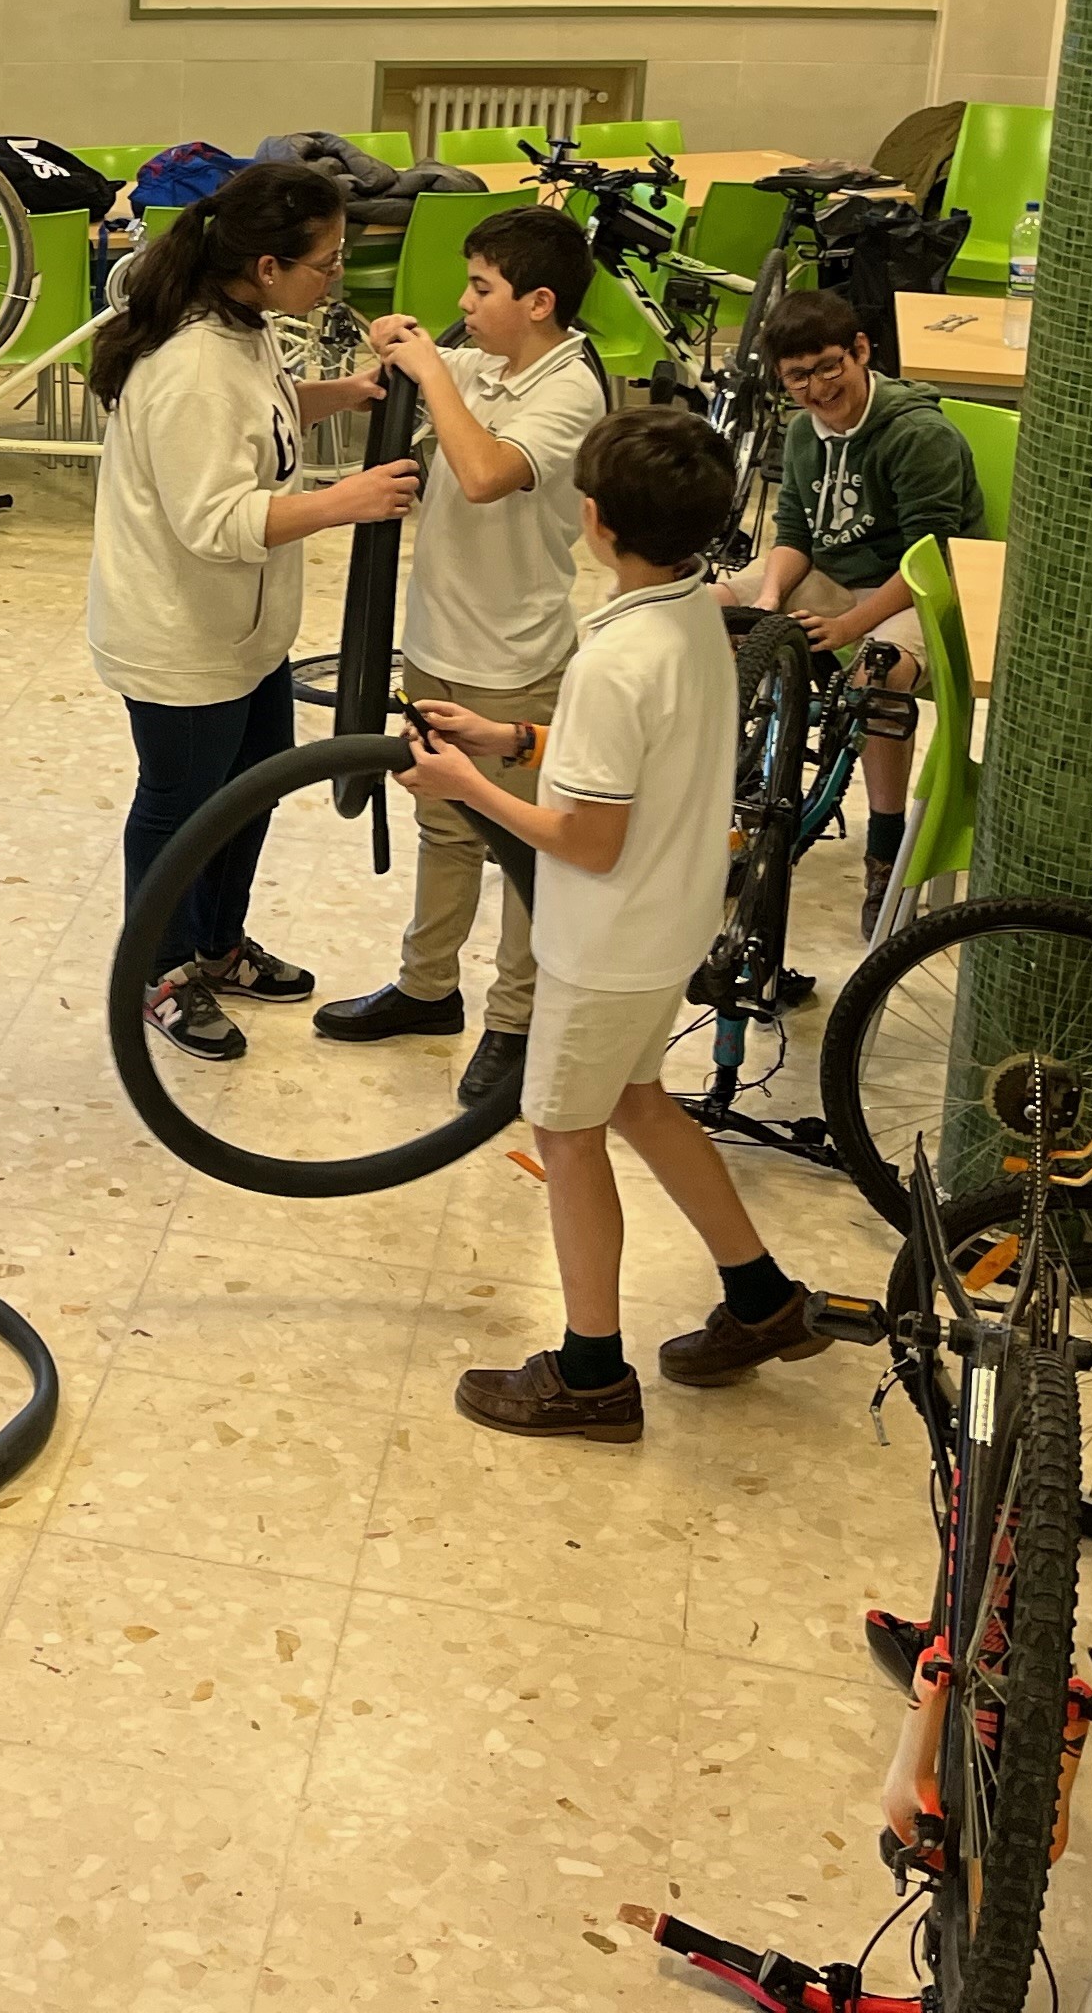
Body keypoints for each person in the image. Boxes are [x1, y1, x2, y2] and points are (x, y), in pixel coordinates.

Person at [404, 408, 832, 1441]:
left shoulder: (610, 659)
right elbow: (640, 752)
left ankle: (590, 1373)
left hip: (603, 943)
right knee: (639, 1101)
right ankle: (763, 1298)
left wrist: (468, 785)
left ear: (593, 520)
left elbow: (588, 839)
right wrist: (515, 737)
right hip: (668, 921)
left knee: (566, 1131)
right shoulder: (698, 615)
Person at [86, 160, 420, 1061]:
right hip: (181, 637)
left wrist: (344, 393)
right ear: (267, 266)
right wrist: (344, 502)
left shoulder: (245, 326)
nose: (336, 277)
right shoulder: (193, 367)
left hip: (242, 629)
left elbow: (259, 417)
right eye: (326, 261)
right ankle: (158, 971)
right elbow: (215, 522)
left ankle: (216, 944)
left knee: (249, 792)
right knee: (180, 806)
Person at [315, 205, 614, 1110]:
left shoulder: (572, 389)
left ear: (539, 302)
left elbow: (485, 477)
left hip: (514, 658)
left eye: (482, 289)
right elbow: (420, 393)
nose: (463, 303)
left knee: (520, 842)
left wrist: (433, 372)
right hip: (437, 639)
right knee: (443, 826)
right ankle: (426, 987)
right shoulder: (482, 366)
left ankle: (516, 1022)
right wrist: (395, 352)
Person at [732, 287, 984, 927]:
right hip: (836, 575)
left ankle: (885, 847)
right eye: (798, 377)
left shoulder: (917, 435)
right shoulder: (802, 432)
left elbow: (930, 558)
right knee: (710, 609)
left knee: (878, 673)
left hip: (920, 587)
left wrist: (848, 626)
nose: (817, 388)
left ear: (861, 351)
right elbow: (794, 534)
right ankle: (734, 788)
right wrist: (765, 603)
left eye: (828, 367)